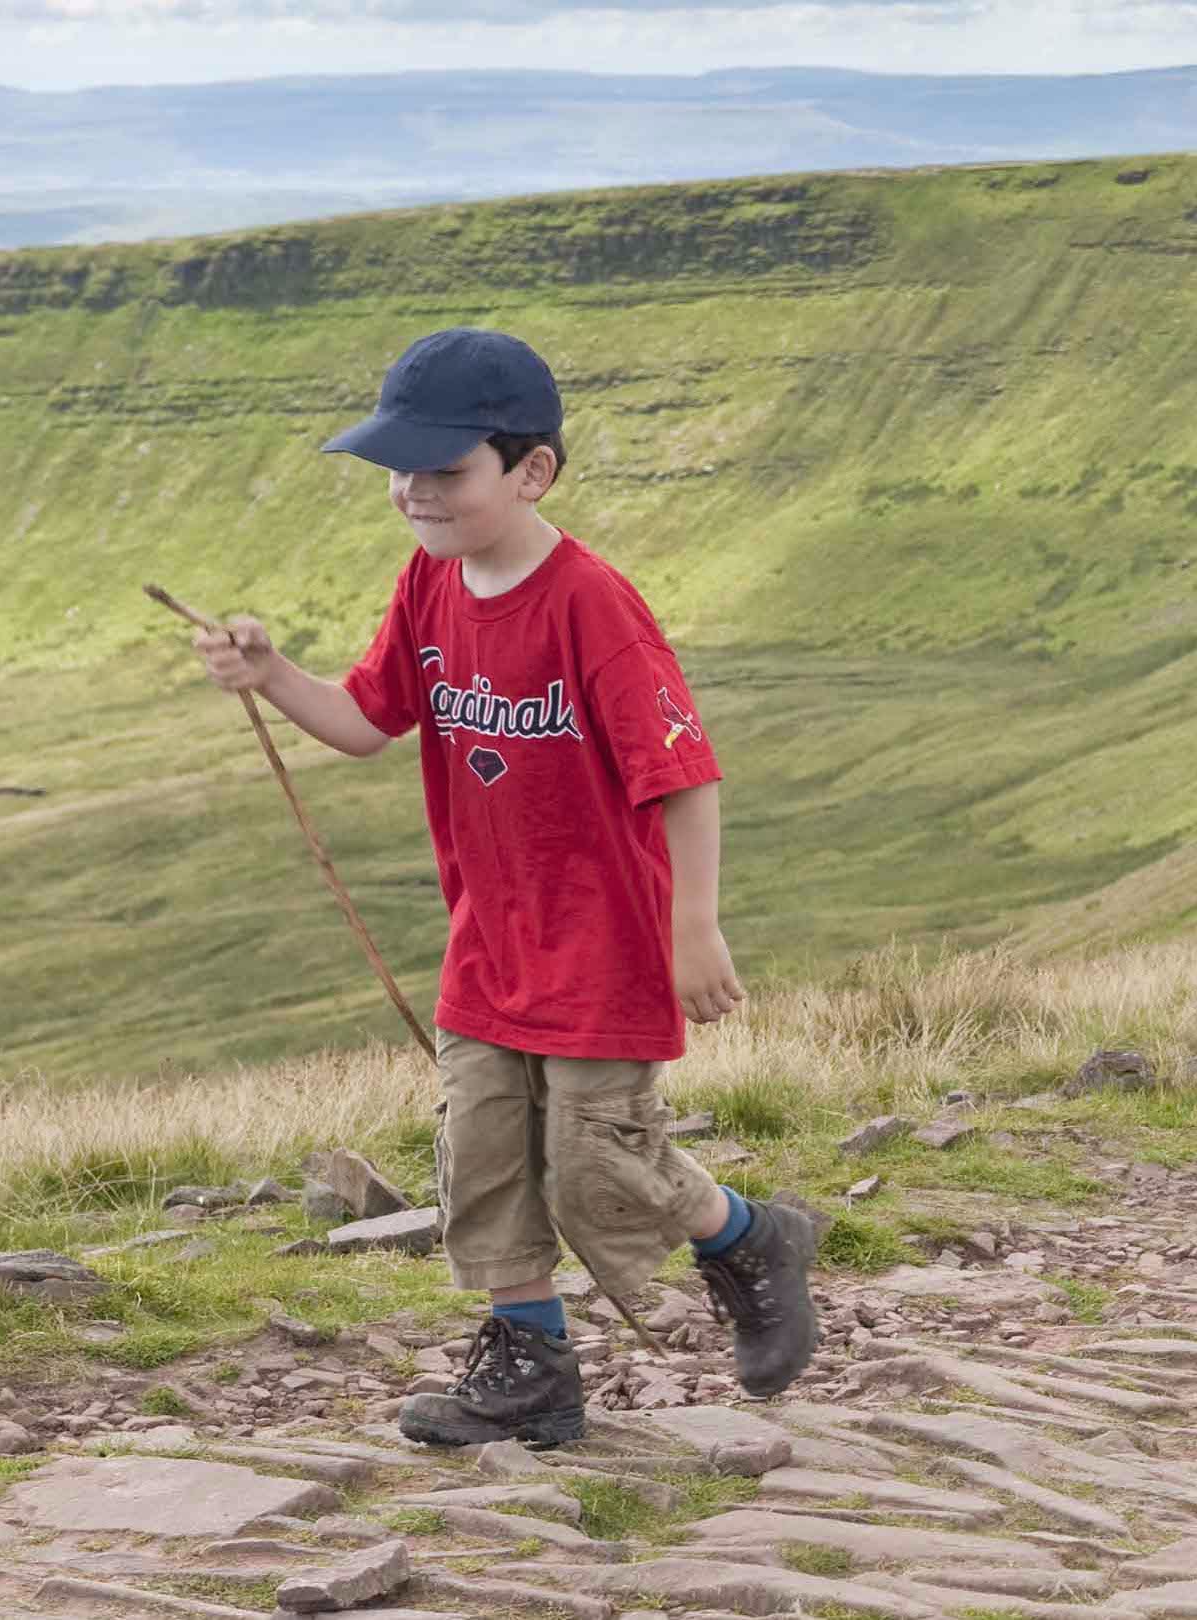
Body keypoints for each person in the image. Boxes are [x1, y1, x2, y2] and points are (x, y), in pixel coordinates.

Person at [190, 328, 821, 1446]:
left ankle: (747, 1239)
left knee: (598, 1170)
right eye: (401, 469)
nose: (415, 494)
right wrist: (272, 672)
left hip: (608, 946)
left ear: (531, 471)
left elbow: (686, 776)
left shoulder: (592, 607)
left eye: (446, 470)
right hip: (489, 944)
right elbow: (366, 722)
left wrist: (695, 928)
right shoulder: (429, 586)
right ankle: (530, 1363)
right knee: (480, 1159)